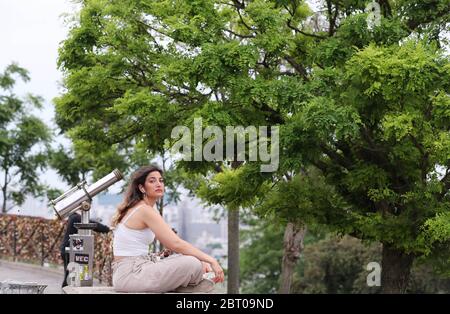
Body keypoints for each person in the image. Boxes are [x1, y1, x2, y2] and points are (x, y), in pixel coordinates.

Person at [111, 165, 224, 293]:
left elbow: (173, 244)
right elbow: (175, 243)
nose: (158, 184)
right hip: (131, 274)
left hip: (135, 269)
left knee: (191, 260)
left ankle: (185, 285)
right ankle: (188, 285)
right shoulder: (144, 210)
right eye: (152, 181)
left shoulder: (145, 208)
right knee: (193, 263)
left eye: (161, 180)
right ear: (142, 187)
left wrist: (201, 259)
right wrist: (210, 259)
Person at [59, 212, 111, 288]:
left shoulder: (73, 217)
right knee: (69, 278)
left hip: (69, 248)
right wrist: (107, 229)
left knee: (69, 276)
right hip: (70, 249)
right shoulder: (76, 217)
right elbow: (92, 224)